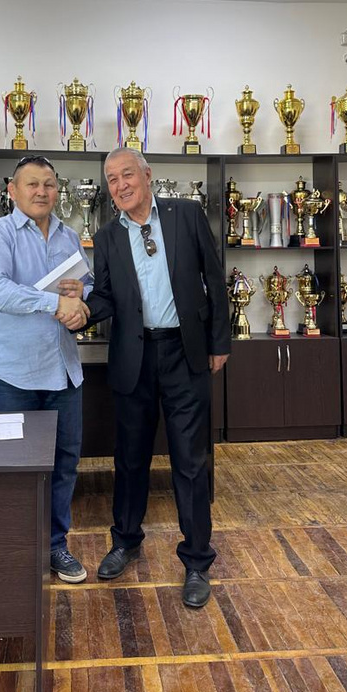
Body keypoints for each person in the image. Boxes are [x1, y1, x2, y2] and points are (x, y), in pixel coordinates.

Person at [85, 148, 230, 608]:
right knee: (130, 459)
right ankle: (125, 541)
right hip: (134, 356)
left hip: (185, 353)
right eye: (112, 179)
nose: (120, 185)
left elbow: (214, 277)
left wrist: (220, 342)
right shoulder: (107, 236)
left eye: (127, 174)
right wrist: (81, 309)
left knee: (190, 461)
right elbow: (105, 296)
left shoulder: (186, 215)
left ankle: (197, 560)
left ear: (147, 175)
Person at [0, 154, 92, 583]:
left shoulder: (69, 236)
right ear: (12, 191)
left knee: (64, 465)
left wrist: (81, 299)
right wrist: (54, 302)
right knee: (11, 466)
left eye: (49, 184)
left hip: (64, 372)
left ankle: (56, 545)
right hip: (13, 375)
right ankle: (13, 552)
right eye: (32, 184)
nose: (42, 192)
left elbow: (88, 285)